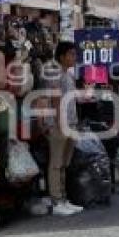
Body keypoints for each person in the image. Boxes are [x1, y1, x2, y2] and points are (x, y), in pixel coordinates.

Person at [43, 41, 84, 216]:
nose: (74, 57)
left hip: (71, 123)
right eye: (71, 54)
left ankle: (64, 198)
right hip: (59, 124)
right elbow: (56, 100)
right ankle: (56, 200)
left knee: (64, 163)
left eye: (75, 54)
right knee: (56, 163)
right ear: (62, 56)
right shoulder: (55, 73)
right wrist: (61, 123)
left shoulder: (68, 75)